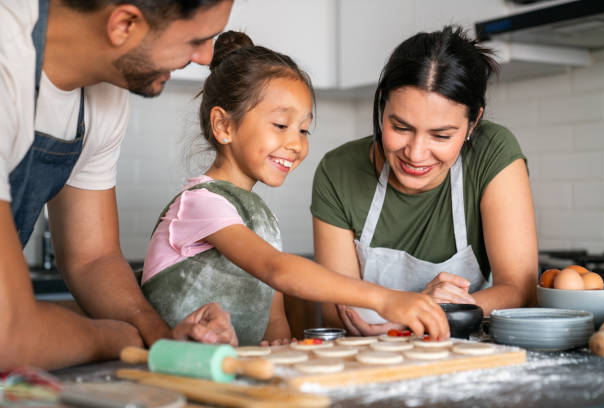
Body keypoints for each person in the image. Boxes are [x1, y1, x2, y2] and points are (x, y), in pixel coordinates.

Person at [141, 31, 450, 346]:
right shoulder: (199, 203)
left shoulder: (260, 218)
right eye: (280, 126)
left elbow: (274, 316)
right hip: (175, 372)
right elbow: (277, 270)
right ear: (224, 126)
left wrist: (279, 348)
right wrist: (386, 300)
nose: (296, 144)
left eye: (304, 130)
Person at [0, 0, 238, 371]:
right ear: (124, 24)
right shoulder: (5, 59)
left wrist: (161, 340)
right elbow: (9, 334)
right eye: (197, 39)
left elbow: (92, 258)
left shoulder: (103, 92)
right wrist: (121, 338)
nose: (207, 57)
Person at [311, 26, 538, 336]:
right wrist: (419, 306)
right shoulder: (338, 171)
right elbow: (338, 312)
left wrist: (433, 312)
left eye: (441, 135)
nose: (416, 154)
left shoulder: (493, 152)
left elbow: (520, 290)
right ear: (382, 104)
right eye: (401, 127)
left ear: (473, 123)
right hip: (373, 361)